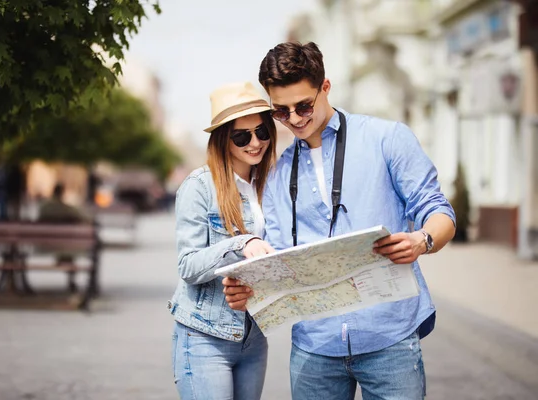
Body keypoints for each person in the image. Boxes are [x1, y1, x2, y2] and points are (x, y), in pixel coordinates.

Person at [223, 42, 456, 399]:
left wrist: (421, 240)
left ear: (325, 87)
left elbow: (440, 213)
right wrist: (250, 289)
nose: (295, 119)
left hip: (389, 337)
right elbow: (280, 261)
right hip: (314, 347)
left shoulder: (386, 138)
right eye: (281, 113)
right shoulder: (279, 171)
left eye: (303, 105)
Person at [168, 81, 277, 400]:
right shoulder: (199, 187)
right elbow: (188, 266)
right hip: (204, 336)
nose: (255, 142)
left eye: (262, 131)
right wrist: (240, 244)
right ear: (222, 140)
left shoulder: (271, 186)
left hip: (253, 337)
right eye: (242, 136)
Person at [37, 183, 92, 292]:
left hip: (44, 245)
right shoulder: (66, 208)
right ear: (62, 193)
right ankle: (70, 278)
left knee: (65, 248)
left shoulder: (45, 208)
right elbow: (84, 218)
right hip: (66, 246)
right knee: (68, 250)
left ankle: (62, 259)